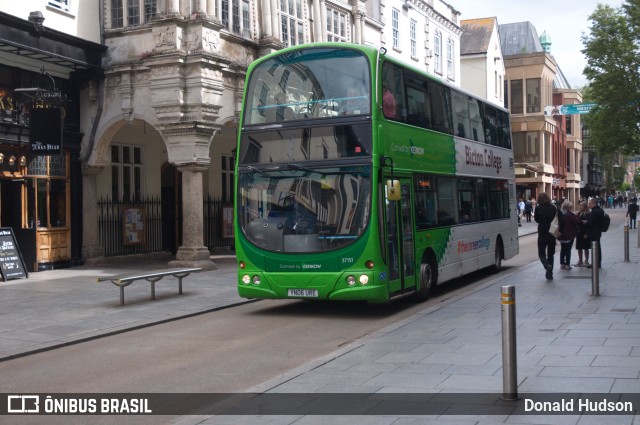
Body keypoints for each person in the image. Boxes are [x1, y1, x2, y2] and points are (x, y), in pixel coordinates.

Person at [535, 192, 564, 280]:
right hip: (552, 233)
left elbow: (536, 219)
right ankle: (550, 274)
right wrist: (560, 230)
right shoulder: (554, 207)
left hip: (542, 233)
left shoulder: (538, 208)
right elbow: (562, 219)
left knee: (541, 253)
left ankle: (547, 266)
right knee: (551, 254)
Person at [583, 197, 605, 269]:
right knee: (598, 247)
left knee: (595, 248)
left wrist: (585, 223)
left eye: (589, 203)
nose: (588, 205)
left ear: (593, 203)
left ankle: (596, 263)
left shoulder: (594, 212)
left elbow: (590, 223)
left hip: (593, 232)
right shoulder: (600, 210)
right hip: (598, 232)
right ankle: (597, 263)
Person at [558, 201, 578, 270]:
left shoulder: (560, 214)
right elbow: (575, 223)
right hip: (569, 234)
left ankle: (562, 264)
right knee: (568, 250)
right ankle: (567, 264)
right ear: (569, 207)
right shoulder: (570, 215)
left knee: (562, 249)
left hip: (561, 235)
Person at [574, 200, 591, 267]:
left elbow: (589, 225)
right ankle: (580, 260)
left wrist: (587, 233)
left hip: (584, 232)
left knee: (585, 248)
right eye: (579, 205)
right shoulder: (578, 213)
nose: (580, 206)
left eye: (582, 205)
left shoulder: (588, 214)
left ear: (585, 206)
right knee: (579, 247)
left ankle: (586, 260)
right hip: (579, 232)